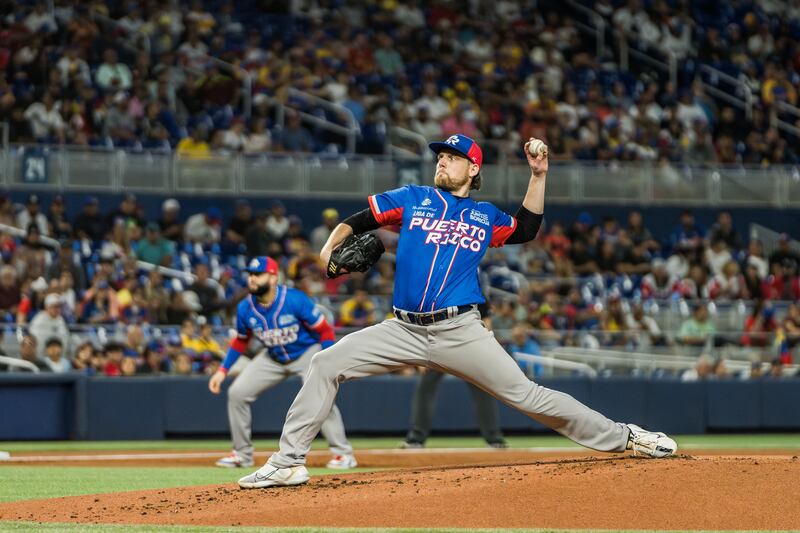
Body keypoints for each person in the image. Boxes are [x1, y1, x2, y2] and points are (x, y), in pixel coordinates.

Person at [238, 135, 677, 489]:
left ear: (473, 169)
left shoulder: (485, 216)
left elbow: (526, 228)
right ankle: (288, 463)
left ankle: (626, 437)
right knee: (325, 362)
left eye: (453, 157)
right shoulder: (413, 198)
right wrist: (328, 249)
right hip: (402, 329)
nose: (442, 162)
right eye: (440, 156)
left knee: (528, 396)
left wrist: (539, 175)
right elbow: (360, 219)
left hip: (460, 330)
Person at [208, 256, 356, 470]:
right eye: (250, 274)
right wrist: (222, 370)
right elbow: (241, 340)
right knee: (237, 393)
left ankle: (343, 453)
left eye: (258, 274)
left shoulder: (295, 299)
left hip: (307, 353)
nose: (252, 278)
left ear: (273, 277)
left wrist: (327, 360)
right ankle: (242, 455)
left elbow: (324, 330)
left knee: (320, 394)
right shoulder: (245, 308)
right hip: (273, 357)